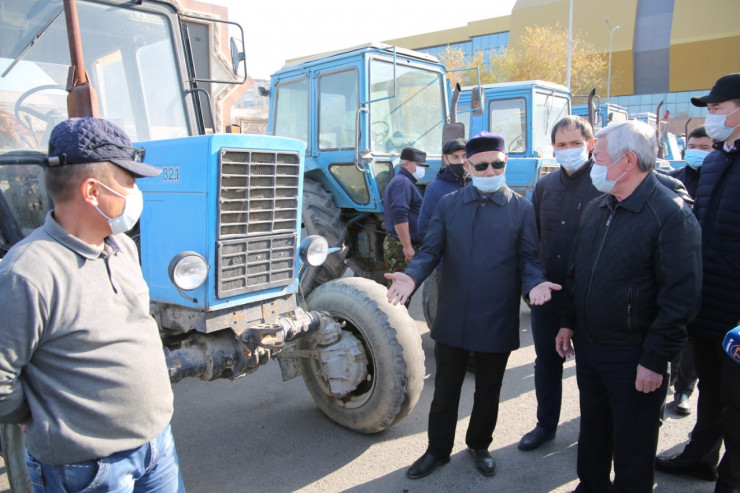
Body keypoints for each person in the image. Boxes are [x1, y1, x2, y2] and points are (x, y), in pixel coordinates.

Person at [0, 117, 185, 491]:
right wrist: (36, 413)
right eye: (128, 182)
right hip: (87, 470)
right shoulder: (27, 273)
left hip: (156, 448)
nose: (135, 193)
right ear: (92, 191)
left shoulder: (122, 247)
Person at [385, 131, 561, 479]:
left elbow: (529, 258)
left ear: (505, 163)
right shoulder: (449, 205)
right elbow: (430, 251)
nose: (491, 171)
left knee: (488, 390)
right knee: (445, 389)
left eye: (498, 164)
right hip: (454, 313)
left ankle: (479, 444)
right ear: (467, 166)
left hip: (497, 314)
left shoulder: (521, 209)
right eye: (482, 166)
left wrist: (535, 283)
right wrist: (412, 276)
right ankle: (437, 450)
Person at [555, 120, 702, 492]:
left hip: (634, 354)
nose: (593, 163)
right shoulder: (598, 207)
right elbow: (577, 271)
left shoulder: (670, 215)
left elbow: (680, 299)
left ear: (628, 160)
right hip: (590, 346)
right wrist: (568, 321)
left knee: (633, 445)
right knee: (594, 429)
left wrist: (655, 359)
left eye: (599, 156)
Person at [655, 73, 740, 493]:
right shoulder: (718, 160)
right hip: (708, 300)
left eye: (718, 107)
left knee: (737, 401)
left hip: (737, 310)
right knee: (712, 389)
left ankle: (732, 479)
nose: (711, 116)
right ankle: (700, 456)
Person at [518, 115, 601, 451]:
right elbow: (532, 241)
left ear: (591, 145)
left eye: (576, 144)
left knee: (591, 372)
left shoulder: (603, 183)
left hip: (590, 300)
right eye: (562, 144)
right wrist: (532, 284)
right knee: (547, 364)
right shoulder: (545, 187)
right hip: (549, 296)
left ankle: (593, 433)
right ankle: (545, 425)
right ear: (552, 147)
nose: (569, 150)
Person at [663, 126, 712, 416]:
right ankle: (668, 382)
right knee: (671, 332)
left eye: (705, 147)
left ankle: (684, 389)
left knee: (692, 337)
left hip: (705, 268)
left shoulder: (718, 181)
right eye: (693, 146)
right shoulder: (673, 180)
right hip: (672, 266)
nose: (697, 152)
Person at [382, 146, 428, 277]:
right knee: (400, 285)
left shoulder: (405, 181)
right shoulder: (402, 183)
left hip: (402, 243)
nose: (423, 169)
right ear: (407, 164)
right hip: (399, 245)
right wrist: (407, 247)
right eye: (420, 166)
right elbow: (399, 214)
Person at [417, 138, 468, 239]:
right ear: (446, 160)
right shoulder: (434, 189)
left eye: (465, 156)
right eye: (455, 157)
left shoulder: (479, 184)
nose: (461, 161)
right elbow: (425, 228)